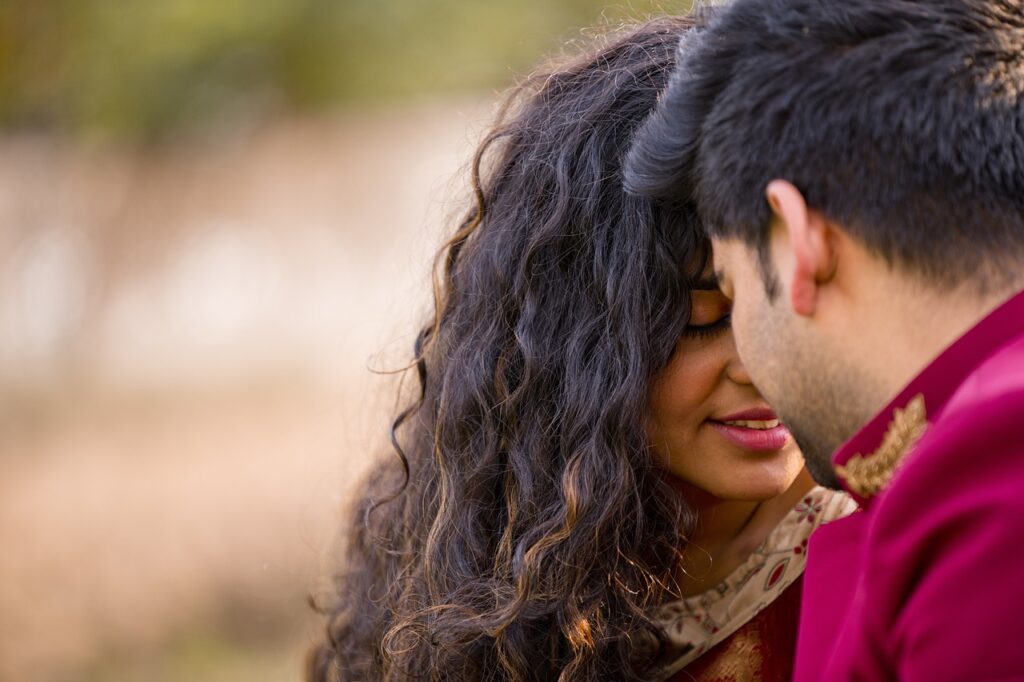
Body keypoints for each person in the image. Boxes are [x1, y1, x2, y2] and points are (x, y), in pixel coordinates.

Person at [307, 16, 852, 682]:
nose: (763, 363)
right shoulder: (496, 565)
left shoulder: (881, 553)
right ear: (582, 347)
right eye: (705, 319)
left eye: (791, 310)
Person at [625, 0, 1024, 679]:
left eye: (733, 282)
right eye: (698, 321)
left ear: (800, 242)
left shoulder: (990, 475)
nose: (747, 360)